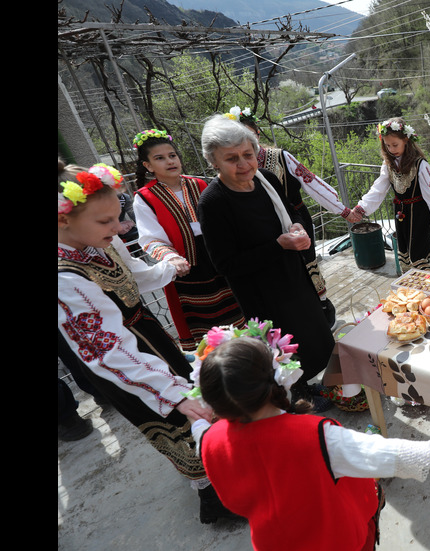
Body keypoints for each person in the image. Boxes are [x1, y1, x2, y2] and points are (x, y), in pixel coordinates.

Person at [58, 163, 239, 523]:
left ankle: (222, 470)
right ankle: (213, 499)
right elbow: (107, 350)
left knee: (195, 406)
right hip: (124, 364)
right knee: (176, 421)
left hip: (147, 337)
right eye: (106, 221)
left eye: (118, 216)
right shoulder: (65, 279)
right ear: (64, 221)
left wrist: (169, 267)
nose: (119, 227)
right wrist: (171, 392)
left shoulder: (98, 242)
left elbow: (133, 275)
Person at [191, 333, 430, 551]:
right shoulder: (314, 435)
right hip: (337, 540)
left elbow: (201, 432)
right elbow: (380, 452)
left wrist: (199, 420)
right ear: (273, 376)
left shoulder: (210, 440)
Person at [196, 114, 336, 412]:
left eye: (248, 155)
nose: (244, 164)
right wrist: (277, 245)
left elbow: (293, 213)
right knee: (283, 349)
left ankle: (315, 383)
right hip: (262, 293)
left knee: (313, 335)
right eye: (231, 158)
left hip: (294, 279)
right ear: (213, 161)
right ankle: (297, 395)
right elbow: (225, 264)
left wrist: (297, 228)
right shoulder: (213, 203)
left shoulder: (267, 180)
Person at [227, 106, 361, 326]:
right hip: (265, 232)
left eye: (248, 135)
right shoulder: (234, 170)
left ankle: (324, 312)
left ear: (257, 133)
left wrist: (342, 210)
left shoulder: (280, 157)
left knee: (307, 267)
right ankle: (295, 319)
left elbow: (313, 184)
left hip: (295, 221)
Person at [131, 128, 246, 351]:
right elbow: (150, 239)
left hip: (219, 258)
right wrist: (172, 258)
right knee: (208, 329)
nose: (169, 161)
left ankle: (249, 353)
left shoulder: (200, 184)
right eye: (160, 158)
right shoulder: (145, 198)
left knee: (238, 313)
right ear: (148, 166)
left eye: (172, 155)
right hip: (187, 267)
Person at [348, 117, 430, 273]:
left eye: (395, 144)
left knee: (419, 248)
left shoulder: (420, 164)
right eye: (388, 145)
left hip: (418, 213)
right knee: (403, 247)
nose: (392, 149)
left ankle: (428, 282)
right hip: (400, 213)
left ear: (406, 140)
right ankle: (410, 284)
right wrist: (361, 208)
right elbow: (378, 188)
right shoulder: (389, 164)